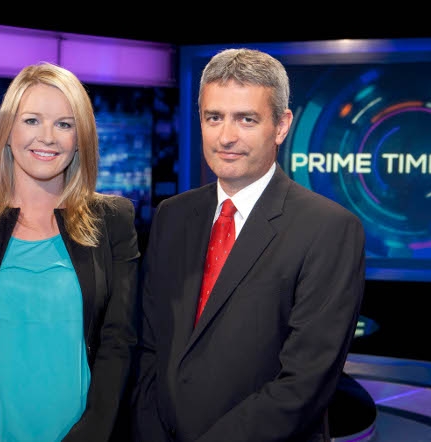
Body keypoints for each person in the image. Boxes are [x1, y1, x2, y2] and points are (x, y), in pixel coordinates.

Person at [131, 48, 366, 442]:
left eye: (246, 119)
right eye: (214, 117)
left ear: (281, 125)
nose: (226, 136)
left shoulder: (329, 229)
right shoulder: (173, 216)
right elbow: (151, 347)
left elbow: (303, 385)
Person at [0, 61, 139, 441]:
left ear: (81, 138)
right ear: (7, 130)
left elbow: (118, 343)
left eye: (64, 124)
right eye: (31, 120)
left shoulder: (114, 221)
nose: (47, 137)